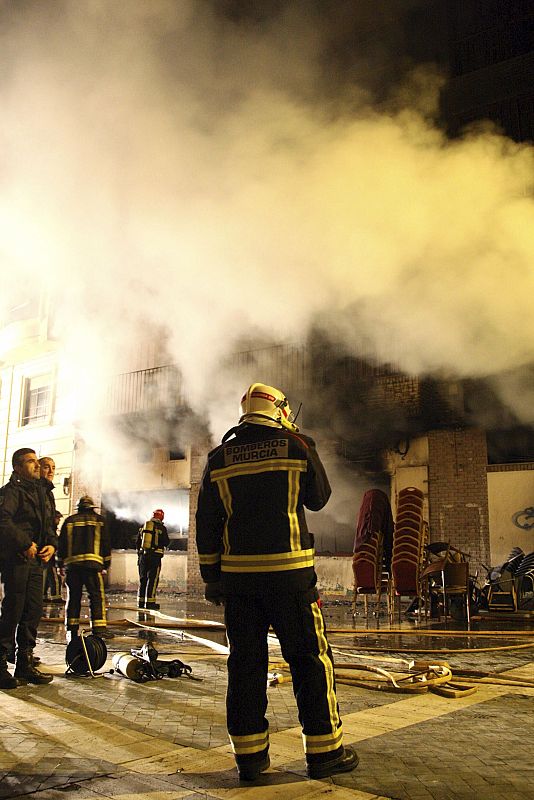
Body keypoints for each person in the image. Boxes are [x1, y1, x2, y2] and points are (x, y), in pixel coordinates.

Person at [196, 382, 358, 782]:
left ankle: (250, 761)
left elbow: (206, 523)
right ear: (281, 410)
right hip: (291, 579)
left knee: (246, 665)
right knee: (309, 661)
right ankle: (324, 754)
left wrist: (211, 578)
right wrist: (307, 443)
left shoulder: (218, 458)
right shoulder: (295, 446)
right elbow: (319, 498)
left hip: (238, 583)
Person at [0, 448, 55, 689]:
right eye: (30, 462)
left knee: (32, 611)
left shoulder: (42, 492)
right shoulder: (11, 492)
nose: (36, 465)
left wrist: (52, 545)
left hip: (37, 562)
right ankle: (1, 666)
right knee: (13, 609)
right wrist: (24, 543)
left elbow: (49, 524)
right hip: (17, 559)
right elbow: (3, 520)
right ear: (18, 468)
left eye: (36, 460)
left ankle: (25, 662)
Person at [57, 495, 114, 639]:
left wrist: (59, 564)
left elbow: (61, 544)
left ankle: (71, 628)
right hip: (92, 566)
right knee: (96, 597)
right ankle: (99, 629)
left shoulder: (69, 521)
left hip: (72, 567)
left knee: (73, 597)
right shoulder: (100, 521)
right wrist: (105, 564)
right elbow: (106, 543)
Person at [39, 458, 63, 603]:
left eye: (53, 467)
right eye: (46, 467)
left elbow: (48, 523)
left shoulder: (48, 492)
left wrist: (53, 544)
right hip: (35, 549)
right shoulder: (39, 491)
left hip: (46, 548)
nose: (51, 471)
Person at [136, 509, 169, 610]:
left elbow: (137, 542)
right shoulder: (161, 528)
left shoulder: (143, 526)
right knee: (153, 579)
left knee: (143, 579)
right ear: (161, 517)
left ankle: (140, 602)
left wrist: (140, 555)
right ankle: (150, 603)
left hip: (143, 557)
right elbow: (166, 542)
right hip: (155, 557)